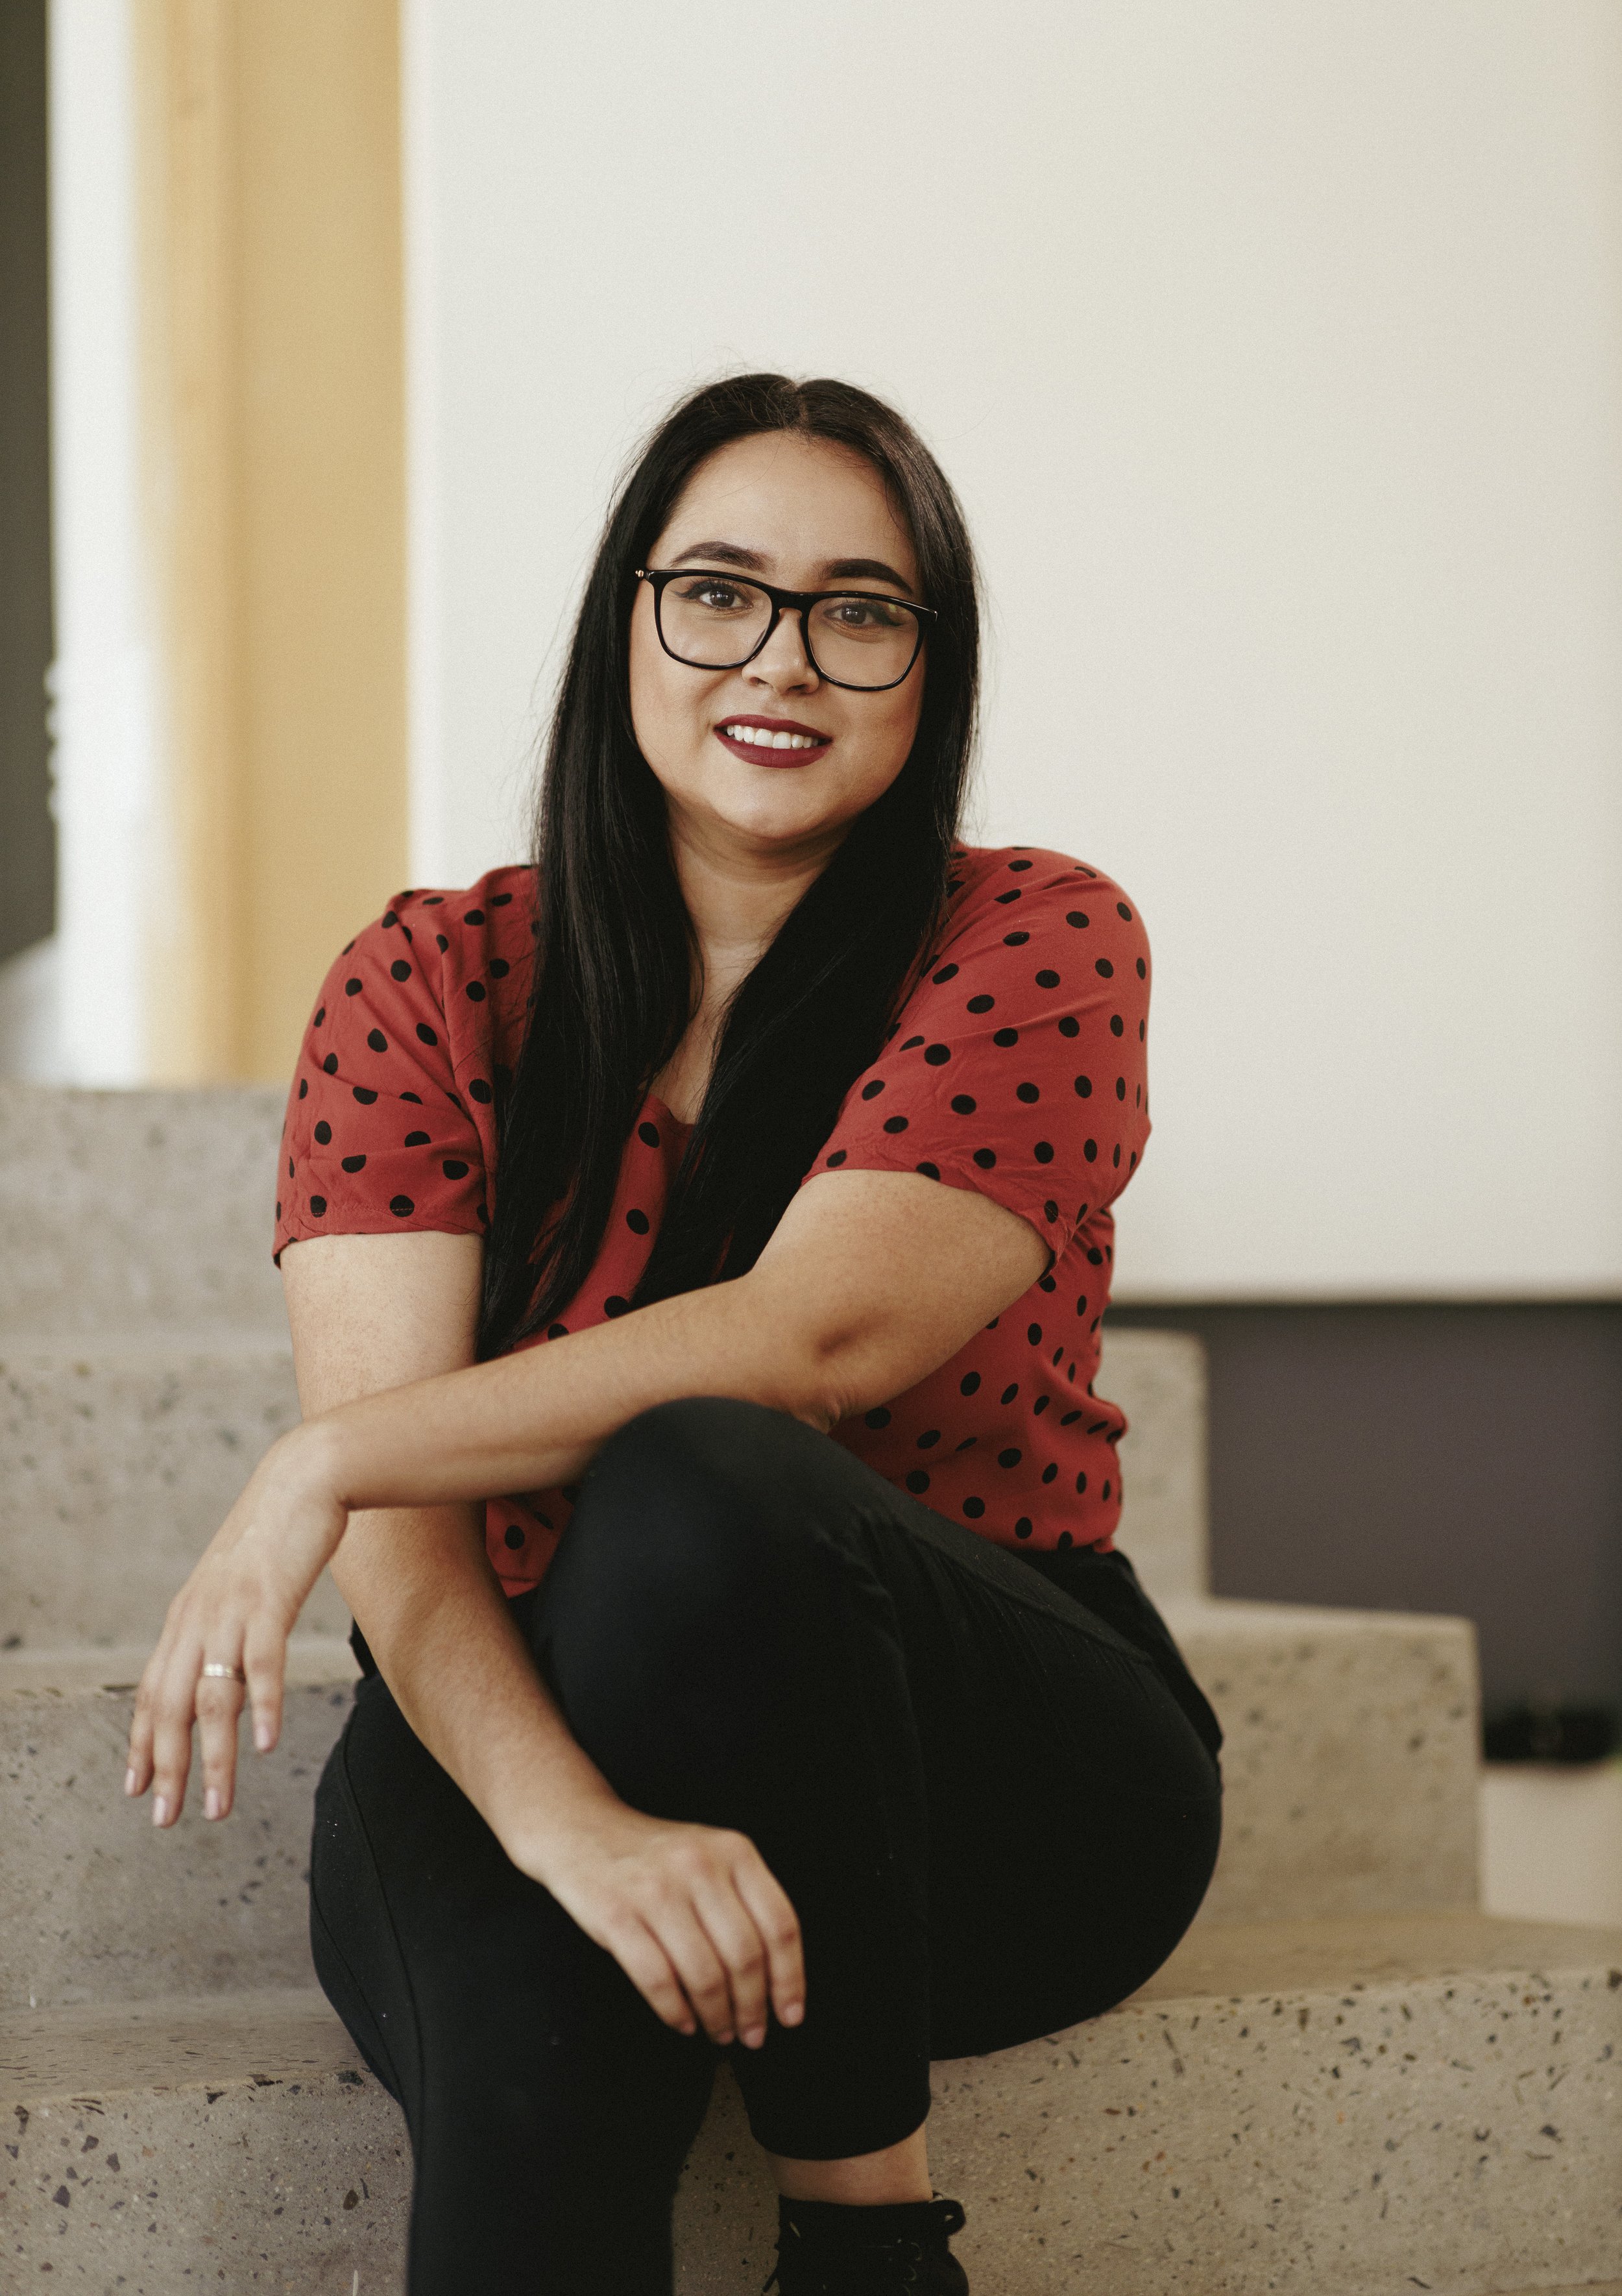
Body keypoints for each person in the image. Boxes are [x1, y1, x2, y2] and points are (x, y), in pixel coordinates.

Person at [125, 374, 1222, 2296]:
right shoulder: (425, 982)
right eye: (716, 591)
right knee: (527, 2082)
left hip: (975, 1764)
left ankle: (865, 2235)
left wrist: (323, 1456)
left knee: (705, 1466)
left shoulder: (1039, 938)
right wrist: (578, 1836)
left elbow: (809, 1343)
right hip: (518, 1697)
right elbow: (415, 1555)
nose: (779, 656)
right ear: (624, 620)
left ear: (932, 666)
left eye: (858, 609)